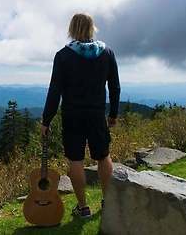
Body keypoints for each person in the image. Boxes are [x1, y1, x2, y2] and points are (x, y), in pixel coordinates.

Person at [41, 13, 121, 218]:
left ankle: (83, 207)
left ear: (72, 29)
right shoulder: (107, 53)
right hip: (96, 114)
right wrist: (113, 114)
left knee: (75, 159)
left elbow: (54, 91)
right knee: (103, 156)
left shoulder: (63, 56)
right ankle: (108, 202)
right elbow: (115, 87)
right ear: (92, 28)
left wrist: (46, 120)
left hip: (72, 115)